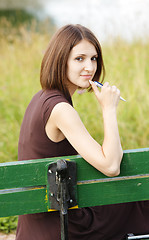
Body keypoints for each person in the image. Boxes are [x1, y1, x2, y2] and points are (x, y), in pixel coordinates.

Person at [16, 24, 149, 240]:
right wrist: (109, 109)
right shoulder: (61, 110)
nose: (90, 67)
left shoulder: (40, 98)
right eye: (79, 59)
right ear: (61, 60)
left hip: (40, 221)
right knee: (139, 198)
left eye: (94, 58)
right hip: (64, 224)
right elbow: (111, 165)